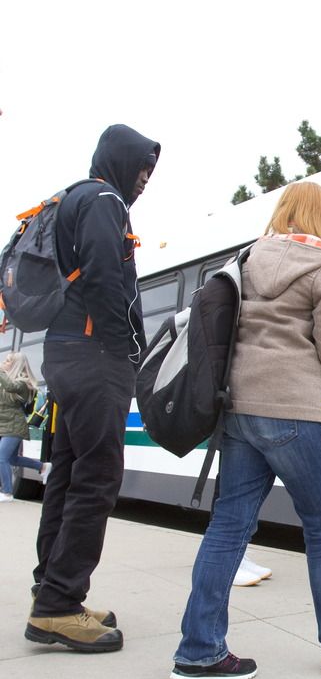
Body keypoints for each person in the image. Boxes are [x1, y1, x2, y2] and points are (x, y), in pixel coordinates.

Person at [170, 182, 321, 679]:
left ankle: (198, 650)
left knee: (228, 526)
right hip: (298, 413)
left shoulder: (247, 260)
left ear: (285, 212)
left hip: (240, 412)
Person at [26, 124, 159, 653]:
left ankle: (51, 589)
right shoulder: (104, 200)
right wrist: (127, 351)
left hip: (63, 352)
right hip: (92, 355)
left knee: (70, 472)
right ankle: (58, 605)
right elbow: (105, 279)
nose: (145, 179)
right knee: (97, 477)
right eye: (142, 168)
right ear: (120, 161)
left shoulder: (72, 199)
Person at [0, 353, 50, 502]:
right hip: (5, 424)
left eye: (8, 361)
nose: (4, 362)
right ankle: (43, 467)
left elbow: (11, 387)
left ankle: (7, 492)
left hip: (15, 426)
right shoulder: (5, 381)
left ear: (16, 364)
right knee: (13, 459)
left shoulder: (23, 383)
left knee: (1, 458)